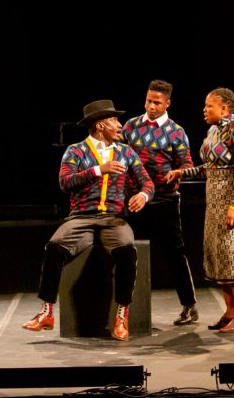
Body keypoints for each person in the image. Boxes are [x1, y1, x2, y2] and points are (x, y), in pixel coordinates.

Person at [22, 99, 153, 341]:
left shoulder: (126, 152)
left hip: (114, 219)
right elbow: (65, 182)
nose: (119, 124)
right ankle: (46, 311)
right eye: (114, 120)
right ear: (100, 124)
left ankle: (122, 315)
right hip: (81, 218)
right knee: (54, 246)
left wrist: (143, 195)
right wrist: (97, 170)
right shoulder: (76, 151)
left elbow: (146, 182)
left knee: (127, 249)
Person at [166, 88, 234, 333]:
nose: (204, 109)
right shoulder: (214, 130)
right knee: (221, 257)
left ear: (225, 108)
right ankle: (230, 311)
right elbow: (210, 168)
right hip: (215, 200)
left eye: (209, 105)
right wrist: (183, 172)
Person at [121, 80, 200, 326]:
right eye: (148, 101)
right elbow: (120, 155)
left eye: (157, 102)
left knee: (174, 254)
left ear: (167, 103)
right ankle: (127, 309)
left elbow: (187, 164)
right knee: (130, 253)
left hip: (165, 199)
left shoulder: (177, 131)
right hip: (135, 199)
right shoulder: (131, 126)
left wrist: (179, 173)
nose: (151, 106)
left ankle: (189, 305)